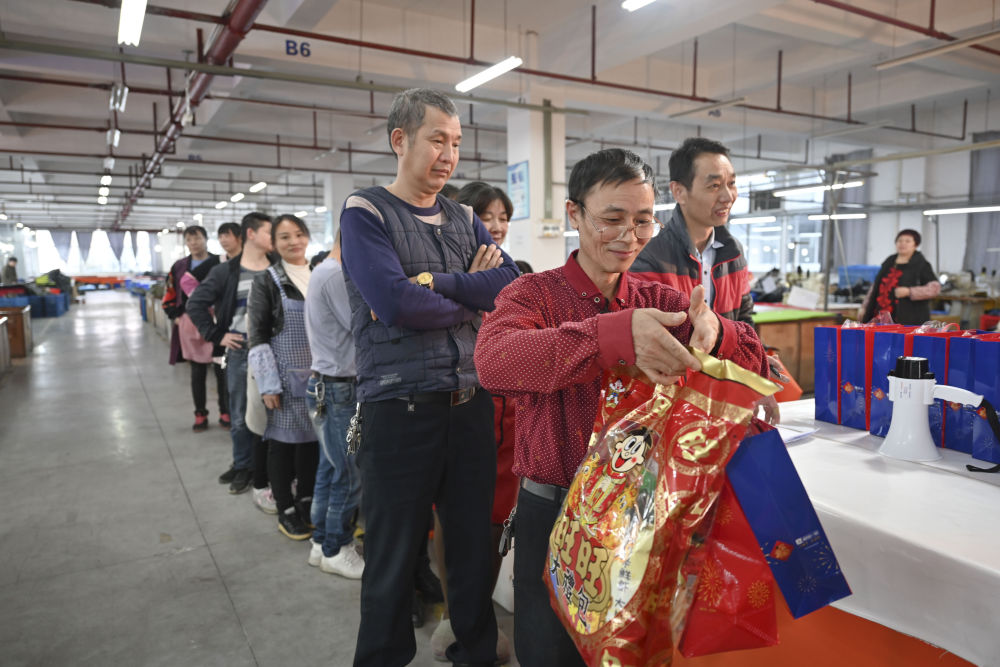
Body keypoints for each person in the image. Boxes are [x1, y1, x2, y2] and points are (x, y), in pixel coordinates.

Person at [474, 148, 769, 667]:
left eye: (643, 221)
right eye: (612, 219)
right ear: (574, 213)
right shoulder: (533, 295)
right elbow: (495, 361)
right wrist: (611, 336)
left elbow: (758, 360)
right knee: (549, 653)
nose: (629, 237)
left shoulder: (662, 300)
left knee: (632, 652)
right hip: (556, 512)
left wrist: (718, 331)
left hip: (641, 518)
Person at [340, 87, 519, 667]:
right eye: (437, 140)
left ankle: (475, 653)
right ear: (401, 140)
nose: (449, 155)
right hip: (400, 410)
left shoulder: (465, 217)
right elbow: (396, 304)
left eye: (457, 143)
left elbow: (508, 287)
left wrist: (435, 284)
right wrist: (471, 292)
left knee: (470, 550)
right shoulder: (366, 213)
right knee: (393, 558)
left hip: (470, 405)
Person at [428, 180, 517, 661]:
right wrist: (467, 285)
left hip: (509, 415)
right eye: (486, 216)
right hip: (460, 405)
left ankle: (477, 615)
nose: (496, 226)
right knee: (453, 517)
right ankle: (453, 614)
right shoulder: (439, 273)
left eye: (503, 217)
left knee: (497, 520)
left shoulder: (512, 274)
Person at [631, 137, 779, 423]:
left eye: (731, 183)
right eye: (714, 186)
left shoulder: (733, 252)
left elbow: (744, 319)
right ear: (679, 191)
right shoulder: (649, 257)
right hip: (669, 406)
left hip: (727, 399)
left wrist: (755, 372)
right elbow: (660, 341)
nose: (727, 196)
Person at [187, 212, 273, 495]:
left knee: (274, 413)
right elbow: (195, 304)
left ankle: (267, 468)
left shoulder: (278, 267)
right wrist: (217, 335)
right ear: (251, 234)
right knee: (239, 414)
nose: (274, 238)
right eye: (270, 232)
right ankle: (243, 465)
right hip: (241, 351)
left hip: (275, 352)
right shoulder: (225, 271)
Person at [246, 214, 320, 540]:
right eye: (285, 237)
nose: (294, 242)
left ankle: (306, 498)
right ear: (274, 244)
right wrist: (268, 385)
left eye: (299, 234)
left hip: (319, 377)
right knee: (282, 444)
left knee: (311, 443)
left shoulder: (319, 273)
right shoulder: (268, 281)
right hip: (284, 380)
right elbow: (257, 335)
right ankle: (285, 509)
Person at [304, 229, 365, 577]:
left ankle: (321, 541)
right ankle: (336, 547)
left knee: (331, 468)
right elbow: (362, 327)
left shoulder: (324, 271)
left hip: (331, 386)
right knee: (348, 473)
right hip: (339, 389)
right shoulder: (335, 275)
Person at [165, 226, 226, 431]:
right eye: (189, 240)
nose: (194, 243)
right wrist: (175, 315)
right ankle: (200, 414)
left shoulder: (220, 261)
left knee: (221, 369)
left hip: (217, 321)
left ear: (206, 239)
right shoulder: (179, 267)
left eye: (197, 238)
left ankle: (225, 411)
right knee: (197, 371)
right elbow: (170, 291)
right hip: (190, 323)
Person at [861, 228, 940, 325]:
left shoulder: (921, 264)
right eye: (900, 240)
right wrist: (864, 307)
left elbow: (935, 288)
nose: (903, 244)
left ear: (915, 245)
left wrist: (909, 292)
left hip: (909, 317)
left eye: (907, 241)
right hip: (879, 314)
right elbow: (875, 287)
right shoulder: (889, 261)